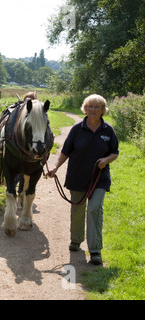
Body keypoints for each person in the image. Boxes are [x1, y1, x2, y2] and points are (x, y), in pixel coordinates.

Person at [47, 94, 119, 265]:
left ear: (103, 110)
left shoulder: (108, 130)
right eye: (90, 106)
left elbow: (115, 152)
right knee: (78, 210)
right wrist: (56, 167)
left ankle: (95, 250)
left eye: (97, 107)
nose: (93, 110)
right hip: (77, 175)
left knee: (94, 209)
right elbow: (65, 151)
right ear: (85, 109)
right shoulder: (77, 129)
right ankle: (76, 240)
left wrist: (106, 160)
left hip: (99, 178)